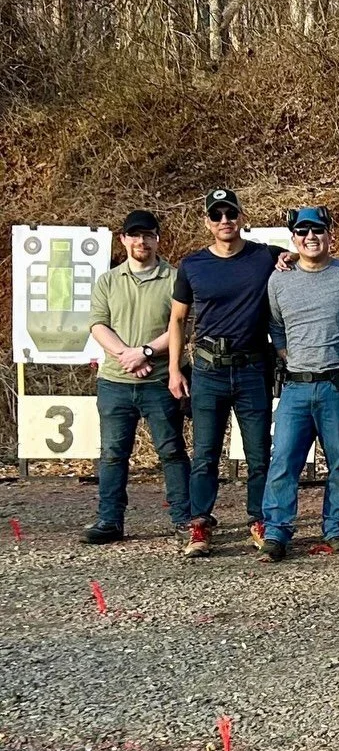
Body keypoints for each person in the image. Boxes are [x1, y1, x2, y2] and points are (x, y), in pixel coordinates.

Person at [168, 189, 283, 560]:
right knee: (205, 454)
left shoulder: (263, 255)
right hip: (207, 370)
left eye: (230, 214)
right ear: (207, 222)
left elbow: (297, 255)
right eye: (216, 215)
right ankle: (200, 523)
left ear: (240, 217)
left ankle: (260, 519)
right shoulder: (193, 265)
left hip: (252, 367)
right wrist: (173, 369)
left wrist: (288, 258)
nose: (224, 221)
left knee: (259, 452)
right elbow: (178, 319)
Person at [259, 207, 339, 561]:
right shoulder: (279, 280)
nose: (310, 237)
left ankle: (336, 530)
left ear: (329, 234)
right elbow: (275, 326)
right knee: (284, 462)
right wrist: (289, 357)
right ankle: (276, 533)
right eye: (302, 232)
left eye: (317, 230)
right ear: (292, 238)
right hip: (296, 387)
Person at [82, 211, 189, 545]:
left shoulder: (175, 279)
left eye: (148, 235)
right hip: (115, 382)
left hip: (160, 380)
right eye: (135, 235)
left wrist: (143, 352)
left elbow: (181, 326)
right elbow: (98, 324)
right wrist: (126, 355)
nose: (141, 241)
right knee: (113, 454)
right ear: (123, 239)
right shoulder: (108, 280)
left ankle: (184, 518)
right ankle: (110, 520)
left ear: (158, 239)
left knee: (171, 451)